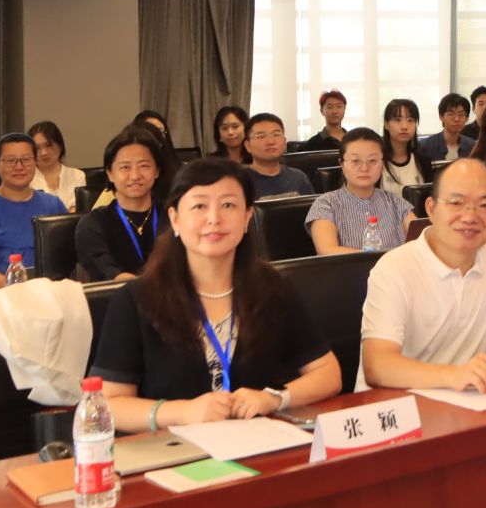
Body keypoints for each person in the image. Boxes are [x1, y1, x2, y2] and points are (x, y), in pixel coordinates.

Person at [90, 159, 341, 432]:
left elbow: (328, 374)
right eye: (199, 206)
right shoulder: (136, 299)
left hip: (257, 442)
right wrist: (182, 412)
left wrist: (274, 398)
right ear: (175, 218)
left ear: (247, 217)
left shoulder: (272, 288)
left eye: (228, 205)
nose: (214, 218)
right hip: (174, 449)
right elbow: (108, 404)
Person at [358, 158, 486, 392]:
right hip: (396, 404)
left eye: (484, 205)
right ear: (431, 209)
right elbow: (378, 366)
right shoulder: (394, 268)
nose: (470, 216)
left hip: (468, 399)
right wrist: (453, 374)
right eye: (456, 203)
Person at [0, 132, 68, 294]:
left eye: (26, 159)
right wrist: (15, 288)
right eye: (10, 160)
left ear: (35, 163)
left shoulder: (53, 204)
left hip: (49, 292)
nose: (19, 167)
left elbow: (66, 256)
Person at [74, 125, 170, 280]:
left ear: (157, 171)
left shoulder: (174, 216)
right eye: (125, 167)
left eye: (144, 166)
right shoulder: (93, 224)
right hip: (119, 294)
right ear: (110, 173)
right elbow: (107, 272)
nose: (135, 175)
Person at [306, 128, 415, 255]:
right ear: (342, 164)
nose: (364, 168)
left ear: (382, 164)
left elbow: (422, 240)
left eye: (372, 161)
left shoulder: (395, 201)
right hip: (351, 269)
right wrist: (383, 259)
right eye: (355, 161)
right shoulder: (326, 204)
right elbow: (327, 250)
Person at [243, 113, 315, 199]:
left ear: (284, 142)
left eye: (276, 135)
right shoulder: (238, 182)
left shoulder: (299, 178)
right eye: (261, 136)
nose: (270, 142)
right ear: (248, 146)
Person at [26, 121, 87, 213]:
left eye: (48, 145)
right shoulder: (26, 179)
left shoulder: (77, 175)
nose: (44, 153)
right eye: (37, 148)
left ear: (60, 145)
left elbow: (78, 212)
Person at [378, 98, 435, 195]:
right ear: (386, 124)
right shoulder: (376, 161)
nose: (404, 126)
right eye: (398, 120)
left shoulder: (422, 161)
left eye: (410, 120)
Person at [422, 93, 474, 164]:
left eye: (461, 114)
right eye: (450, 114)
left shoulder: (472, 146)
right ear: (441, 117)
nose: (457, 119)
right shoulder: (425, 146)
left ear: (467, 118)